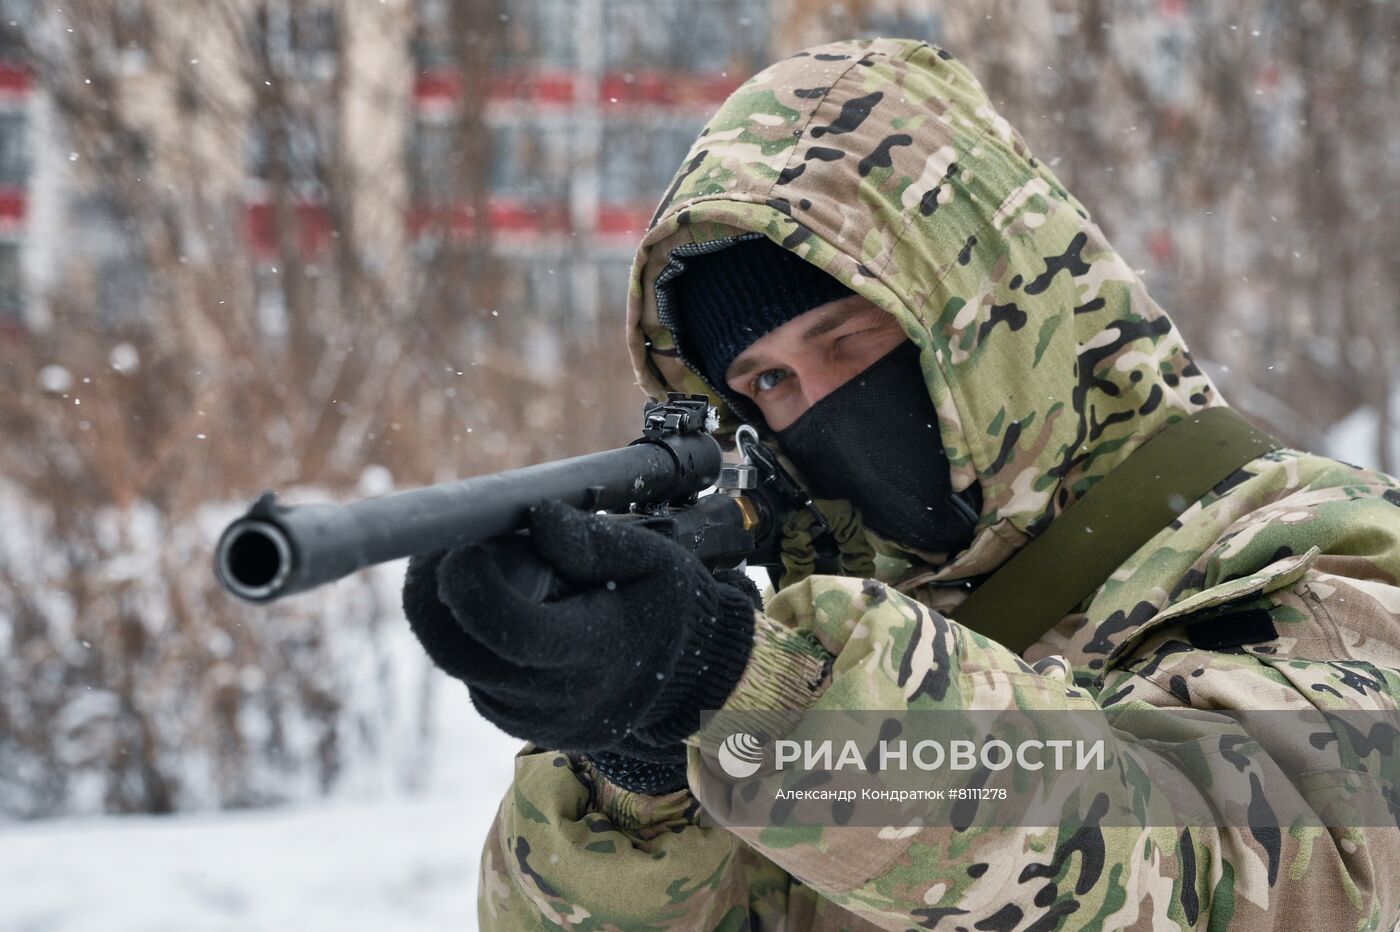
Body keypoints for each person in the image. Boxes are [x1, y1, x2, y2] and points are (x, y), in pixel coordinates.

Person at [402, 37, 1400, 929]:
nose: (821, 403)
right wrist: (645, 770)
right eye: (768, 381)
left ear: (987, 307)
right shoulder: (843, 618)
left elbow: (1220, 870)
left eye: (849, 337)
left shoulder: (1313, 559)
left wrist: (743, 682)